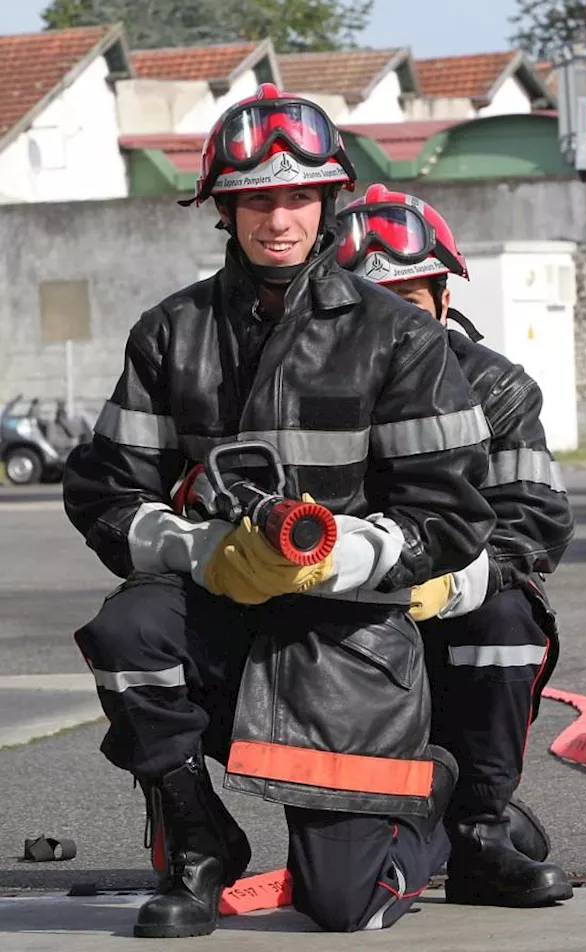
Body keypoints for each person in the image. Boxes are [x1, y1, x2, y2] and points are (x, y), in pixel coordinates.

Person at [63, 84, 497, 937]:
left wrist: (333, 556)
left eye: (298, 195)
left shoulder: (400, 336)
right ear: (224, 208)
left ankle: (428, 791)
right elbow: (105, 491)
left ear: (329, 198)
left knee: (346, 909)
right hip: (220, 611)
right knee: (130, 634)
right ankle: (199, 841)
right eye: (257, 198)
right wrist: (202, 551)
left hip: (346, 632)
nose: (278, 218)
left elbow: (450, 514)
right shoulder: (169, 332)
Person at [334, 184, 575, 907]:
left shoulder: (498, 388)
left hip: (451, 610)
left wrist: (452, 583)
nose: (398, 326)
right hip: (331, 614)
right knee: (342, 883)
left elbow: (530, 521)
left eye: (412, 302)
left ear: (443, 299)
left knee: (508, 623)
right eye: (376, 307)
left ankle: (478, 833)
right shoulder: (298, 388)